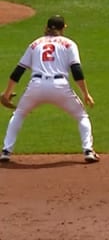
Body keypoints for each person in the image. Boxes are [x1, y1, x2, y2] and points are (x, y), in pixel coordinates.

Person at [0, 15, 99, 165]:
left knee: (19, 114)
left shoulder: (35, 44)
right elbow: (76, 71)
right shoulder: (69, 44)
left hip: (36, 85)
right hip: (60, 86)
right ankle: (88, 151)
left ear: (46, 27)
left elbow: (18, 72)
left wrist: (6, 94)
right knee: (81, 116)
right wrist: (86, 94)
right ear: (64, 27)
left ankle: (6, 152)